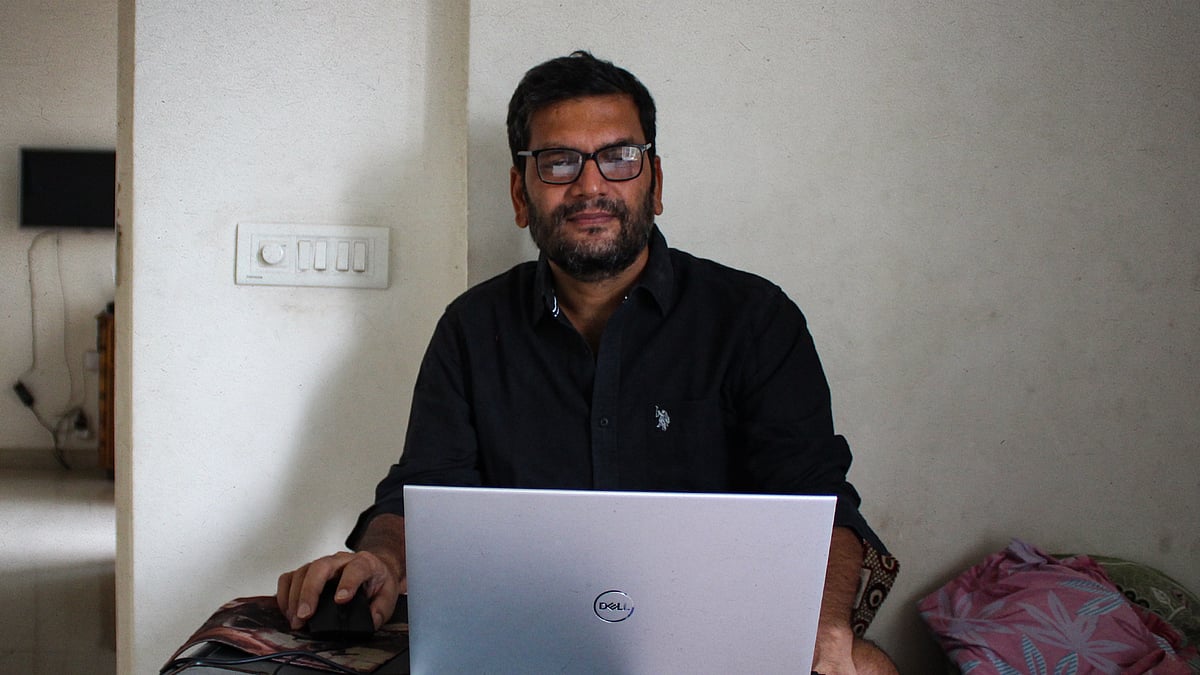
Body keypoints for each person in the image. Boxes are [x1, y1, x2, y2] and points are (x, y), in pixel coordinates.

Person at [278, 51, 898, 674]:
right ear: (520, 194)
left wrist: (823, 630)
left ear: (656, 182)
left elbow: (820, 503)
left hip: (716, 643)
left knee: (867, 668)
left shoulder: (754, 319)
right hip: (522, 642)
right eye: (559, 162)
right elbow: (424, 492)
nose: (591, 186)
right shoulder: (472, 328)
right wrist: (381, 559)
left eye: (619, 157)